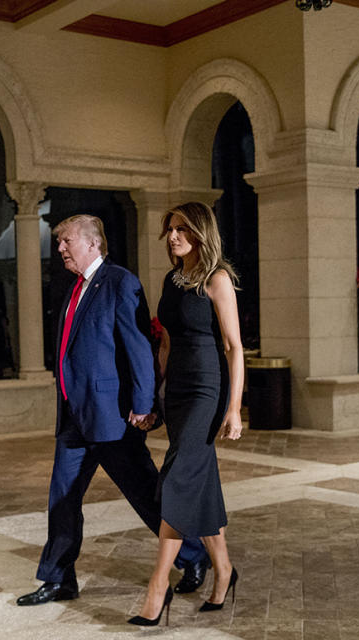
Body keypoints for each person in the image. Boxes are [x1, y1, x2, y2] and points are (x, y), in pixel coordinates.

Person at [16, 214, 210, 607]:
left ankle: (194, 555)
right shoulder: (75, 289)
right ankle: (59, 579)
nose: (60, 249)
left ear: (91, 243)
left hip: (113, 417)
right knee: (62, 499)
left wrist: (144, 404)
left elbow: (139, 348)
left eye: (65, 241)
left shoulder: (120, 282)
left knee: (145, 495)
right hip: (74, 417)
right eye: (60, 243)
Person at [129, 201, 244, 626]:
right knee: (200, 480)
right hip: (176, 392)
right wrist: (153, 395)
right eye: (171, 230)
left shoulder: (219, 280)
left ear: (201, 233)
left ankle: (157, 588)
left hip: (206, 392)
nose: (173, 236)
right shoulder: (172, 281)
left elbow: (234, 348)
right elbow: (165, 344)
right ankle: (225, 570)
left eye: (182, 229)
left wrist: (233, 408)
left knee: (176, 480)